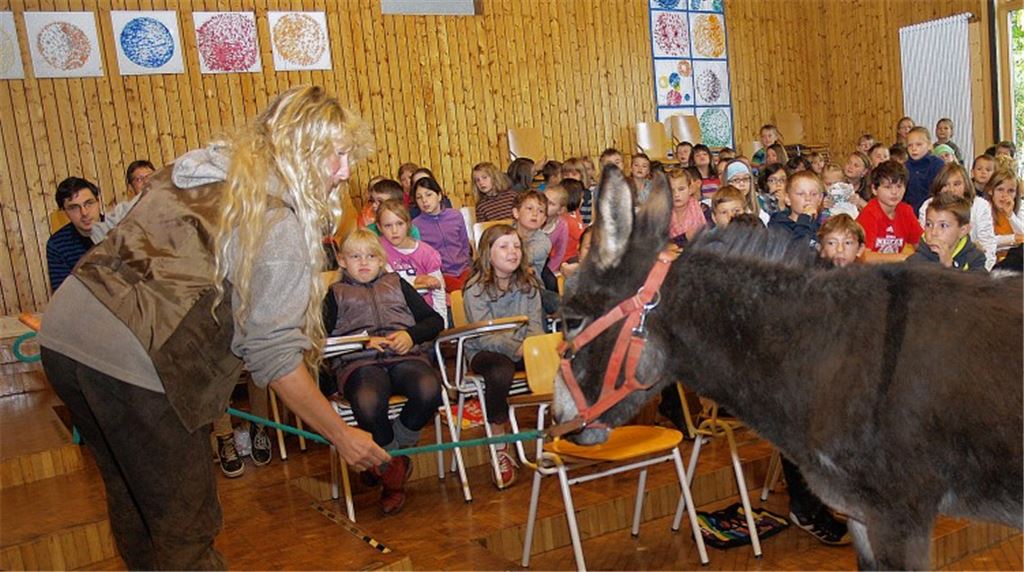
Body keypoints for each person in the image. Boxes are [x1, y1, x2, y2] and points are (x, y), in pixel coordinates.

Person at [36, 86, 390, 570]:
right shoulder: (276, 219)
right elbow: (275, 356)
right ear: (303, 150)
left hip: (65, 338)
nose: (346, 171)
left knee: (133, 502)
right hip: (137, 362)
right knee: (185, 527)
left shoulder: (199, 167)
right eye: (339, 155)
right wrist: (341, 435)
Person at [324, 229, 444, 514]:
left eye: (370, 256)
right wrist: (362, 341)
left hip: (405, 356)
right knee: (367, 400)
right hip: (359, 362)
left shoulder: (397, 284)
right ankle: (394, 474)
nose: (363, 262)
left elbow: (434, 321)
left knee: (429, 389)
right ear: (342, 261)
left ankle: (388, 460)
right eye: (355, 256)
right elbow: (320, 340)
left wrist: (411, 335)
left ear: (381, 261)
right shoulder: (334, 294)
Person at [462, 224, 545, 489]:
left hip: (524, 346)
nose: (513, 252)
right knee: (500, 372)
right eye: (504, 246)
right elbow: (484, 336)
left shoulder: (529, 283)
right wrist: (519, 348)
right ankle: (499, 444)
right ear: (488, 253)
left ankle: (563, 435)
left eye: (517, 246)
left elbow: (536, 324)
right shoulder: (474, 289)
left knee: (562, 361)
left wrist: (532, 346)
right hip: (484, 352)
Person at [916, 163, 997, 270]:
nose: (951, 190)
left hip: (971, 264)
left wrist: (983, 270)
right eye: (945, 185)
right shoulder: (928, 205)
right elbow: (928, 238)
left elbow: (988, 246)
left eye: (957, 184)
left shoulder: (980, 205)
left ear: (966, 186)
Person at [377, 199, 447, 320]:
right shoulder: (377, 249)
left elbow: (438, 291)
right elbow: (388, 283)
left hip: (425, 312)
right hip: (393, 314)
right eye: (388, 225)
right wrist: (418, 280)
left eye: (400, 224)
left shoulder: (427, 253)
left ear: (408, 224)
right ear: (379, 227)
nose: (394, 230)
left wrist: (441, 323)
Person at [411, 177, 472, 292]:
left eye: (429, 195)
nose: (424, 200)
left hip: (465, 269)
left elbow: (464, 244)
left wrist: (467, 266)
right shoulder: (415, 226)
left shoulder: (456, 215)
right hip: (441, 275)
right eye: (419, 197)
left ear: (439, 196)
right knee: (462, 293)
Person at [856, 159, 922, 263]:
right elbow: (864, 257)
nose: (895, 192)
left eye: (899, 186)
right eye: (888, 187)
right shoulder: (869, 214)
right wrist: (902, 258)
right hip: (869, 272)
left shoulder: (906, 211)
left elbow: (920, 245)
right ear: (874, 189)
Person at [46, 177, 101, 292]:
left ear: (98, 202)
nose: (84, 213)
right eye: (74, 207)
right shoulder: (57, 245)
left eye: (89, 203)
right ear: (64, 212)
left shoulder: (122, 228)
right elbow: (64, 296)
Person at [908, 194, 987, 272]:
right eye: (929, 224)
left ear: (963, 231)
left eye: (943, 225)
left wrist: (949, 267)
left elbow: (980, 284)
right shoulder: (915, 263)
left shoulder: (975, 259)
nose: (933, 232)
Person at [768, 170, 824, 248]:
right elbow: (797, 249)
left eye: (813, 194)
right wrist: (804, 218)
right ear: (788, 199)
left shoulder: (822, 228)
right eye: (800, 194)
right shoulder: (778, 225)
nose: (808, 198)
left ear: (820, 199)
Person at [985, 169, 1024, 263]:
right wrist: (1013, 239)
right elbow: (987, 241)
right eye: (1000, 189)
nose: (1005, 195)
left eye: (1011, 191)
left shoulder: (1020, 206)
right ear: (991, 190)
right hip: (992, 261)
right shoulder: (985, 208)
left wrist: (1010, 215)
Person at [903, 126, 945, 214]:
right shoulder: (904, 167)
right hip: (911, 213)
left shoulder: (937, 164)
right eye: (910, 145)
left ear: (929, 145)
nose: (914, 148)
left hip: (935, 211)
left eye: (919, 144)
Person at [667, 169, 707, 246]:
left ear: (690, 189)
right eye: (671, 190)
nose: (676, 194)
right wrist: (684, 237)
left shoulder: (703, 209)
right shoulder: (661, 214)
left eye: (681, 189)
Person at [541, 184, 570, 273]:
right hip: (523, 261)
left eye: (551, 203)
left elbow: (560, 253)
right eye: (544, 200)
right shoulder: (532, 218)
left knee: (551, 283)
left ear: (560, 210)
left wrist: (549, 270)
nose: (545, 205)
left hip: (543, 262)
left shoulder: (562, 226)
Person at [560, 179, 587, 263]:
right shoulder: (566, 220)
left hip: (575, 254)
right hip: (567, 258)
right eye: (581, 198)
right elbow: (583, 238)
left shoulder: (575, 212)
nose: (583, 201)